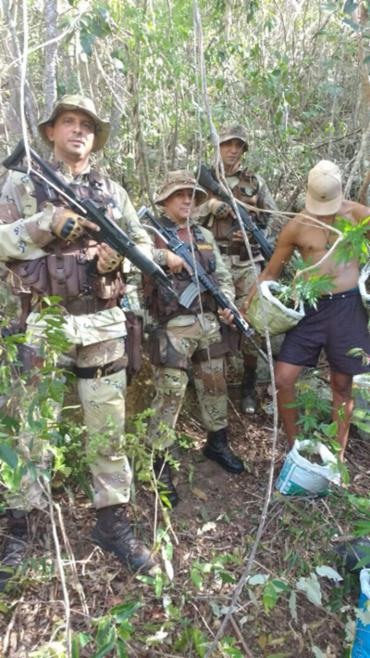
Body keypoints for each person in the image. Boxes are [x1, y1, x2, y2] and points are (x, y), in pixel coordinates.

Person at [0, 95, 157, 590]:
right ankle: (21, 527)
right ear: (51, 132)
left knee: (108, 430)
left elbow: (142, 242)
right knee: (31, 430)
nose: (78, 131)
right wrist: (44, 225)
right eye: (69, 122)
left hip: (103, 324)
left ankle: (111, 524)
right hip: (43, 322)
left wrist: (121, 260)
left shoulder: (112, 190)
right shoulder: (24, 183)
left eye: (87, 125)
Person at [245, 160, 370, 460]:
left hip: (349, 307)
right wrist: (248, 302)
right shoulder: (297, 226)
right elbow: (272, 272)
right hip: (310, 309)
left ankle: (338, 456)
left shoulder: (357, 214)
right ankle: (295, 449)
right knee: (284, 379)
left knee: (342, 383)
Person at [143, 170, 245, 507]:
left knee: (215, 385)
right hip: (172, 327)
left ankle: (217, 442)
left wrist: (228, 304)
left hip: (208, 322)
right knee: (170, 394)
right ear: (165, 200)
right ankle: (158, 463)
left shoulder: (202, 233)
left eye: (191, 195)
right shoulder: (150, 232)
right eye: (179, 195)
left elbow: (222, 275)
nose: (187, 200)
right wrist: (164, 257)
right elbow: (134, 260)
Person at [196, 125, 279, 414]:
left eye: (238, 146)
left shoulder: (255, 181)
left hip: (246, 264)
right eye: (227, 144)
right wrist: (210, 206)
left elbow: (273, 216)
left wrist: (256, 222)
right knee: (207, 321)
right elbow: (181, 215)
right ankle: (208, 388)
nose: (232, 150)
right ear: (218, 147)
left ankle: (247, 387)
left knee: (253, 324)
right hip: (210, 263)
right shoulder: (200, 180)